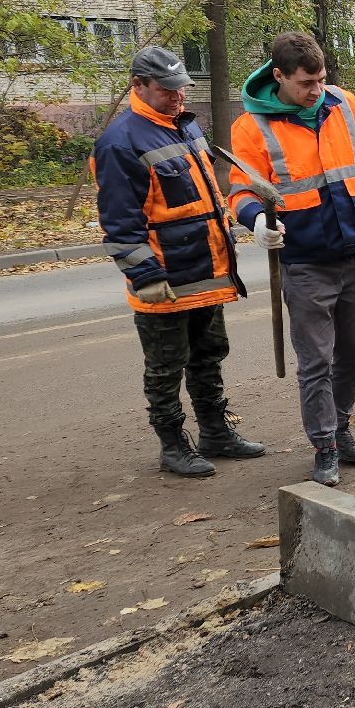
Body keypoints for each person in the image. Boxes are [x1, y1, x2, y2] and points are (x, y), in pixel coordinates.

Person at [226, 31, 355, 486]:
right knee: (316, 362)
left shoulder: (342, 104)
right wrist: (255, 220)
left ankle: (340, 426)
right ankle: (324, 445)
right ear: (279, 76)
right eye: (306, 83)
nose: (317, 90)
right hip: (305, 264)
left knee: (354, 355)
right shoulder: (251, 126)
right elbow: (242, 190)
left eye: (321, 79)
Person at [93, 46, 267, 477]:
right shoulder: (121, 142)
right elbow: (120, 221)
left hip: (205, 273)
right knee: (166, 368)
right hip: (165, 281)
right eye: (167, 90)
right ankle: (172, 446)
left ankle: (215, 433)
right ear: (138, 86)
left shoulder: (185, 127)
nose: (177, 96)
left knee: (209, 356)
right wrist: (145, 275)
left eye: (181, 88)